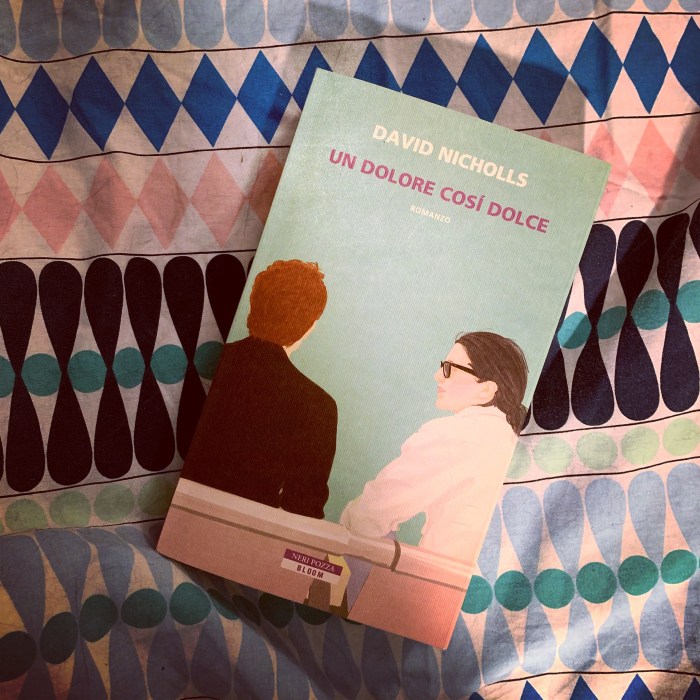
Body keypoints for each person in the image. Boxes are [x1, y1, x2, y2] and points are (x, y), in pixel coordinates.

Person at [340, 331, 528, 559]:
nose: (438, 376)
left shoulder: (451, 436)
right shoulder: (515, 442)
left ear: (486, 390)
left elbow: (369, 515)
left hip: (436, 577)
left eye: (449, 369)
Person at [182, 259, 338, 519]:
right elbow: (303, 510)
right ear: (310, 324)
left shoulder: (208, 363)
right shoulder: (317, 405)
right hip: (245, 533)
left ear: (254, 305)